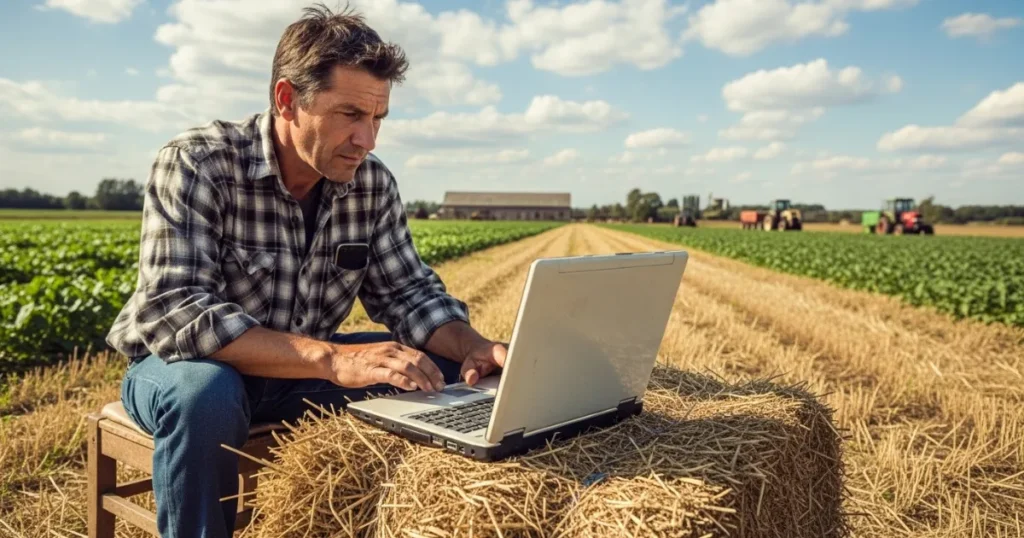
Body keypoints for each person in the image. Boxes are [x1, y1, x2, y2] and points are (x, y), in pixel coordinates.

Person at [105, 4, 507, 537]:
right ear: (287, 99)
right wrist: (332, 358)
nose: (367, 140)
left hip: (300, 374)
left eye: (377, 119)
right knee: (204, 395)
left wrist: (473, 346)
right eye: (350, 115)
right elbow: (176, 312)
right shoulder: (199, 163)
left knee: (452, 372)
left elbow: (409, 293)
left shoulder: (372, 184)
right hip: (184, 369)